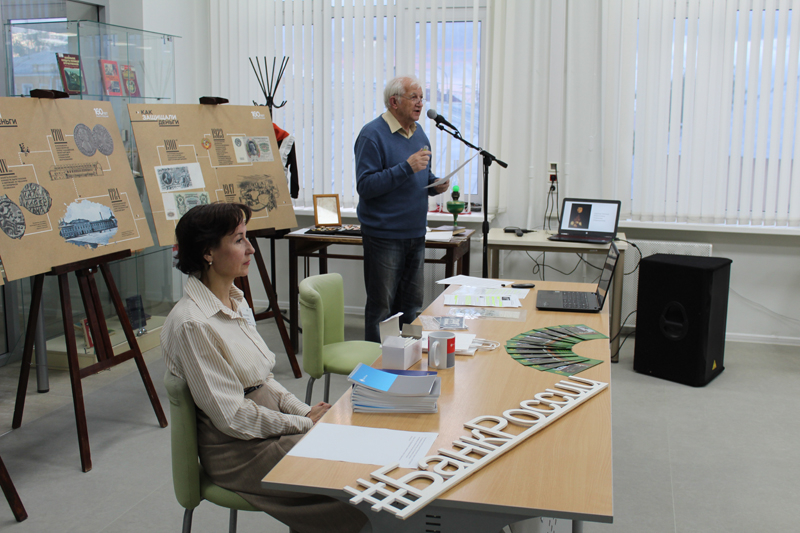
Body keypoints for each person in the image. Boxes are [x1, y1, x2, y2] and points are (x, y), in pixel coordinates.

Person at [161, 202, 368, 533]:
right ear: (207, 253)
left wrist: (304, 412)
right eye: (238, 239)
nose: (251, 249)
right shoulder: (192, 323)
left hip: (265, 428)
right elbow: (233, 417)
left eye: (247, 237)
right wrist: (303, 423)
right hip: (238, 450)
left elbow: (263, 380)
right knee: (352, 476)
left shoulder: (235, 300)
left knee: (357, 456)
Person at [354, 75, 449, 342]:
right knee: (382, 309)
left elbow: (420, 177)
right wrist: (406, 167)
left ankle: (408, 359)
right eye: (414, 97)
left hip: (415, 234)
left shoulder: (419, 134)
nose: (420, 103)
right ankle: (376, 363)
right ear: (394, 102)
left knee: (411, 307)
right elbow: (366, 185)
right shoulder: (372, 135)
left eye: (422, 97)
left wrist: (435, 185)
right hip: (384, 236)